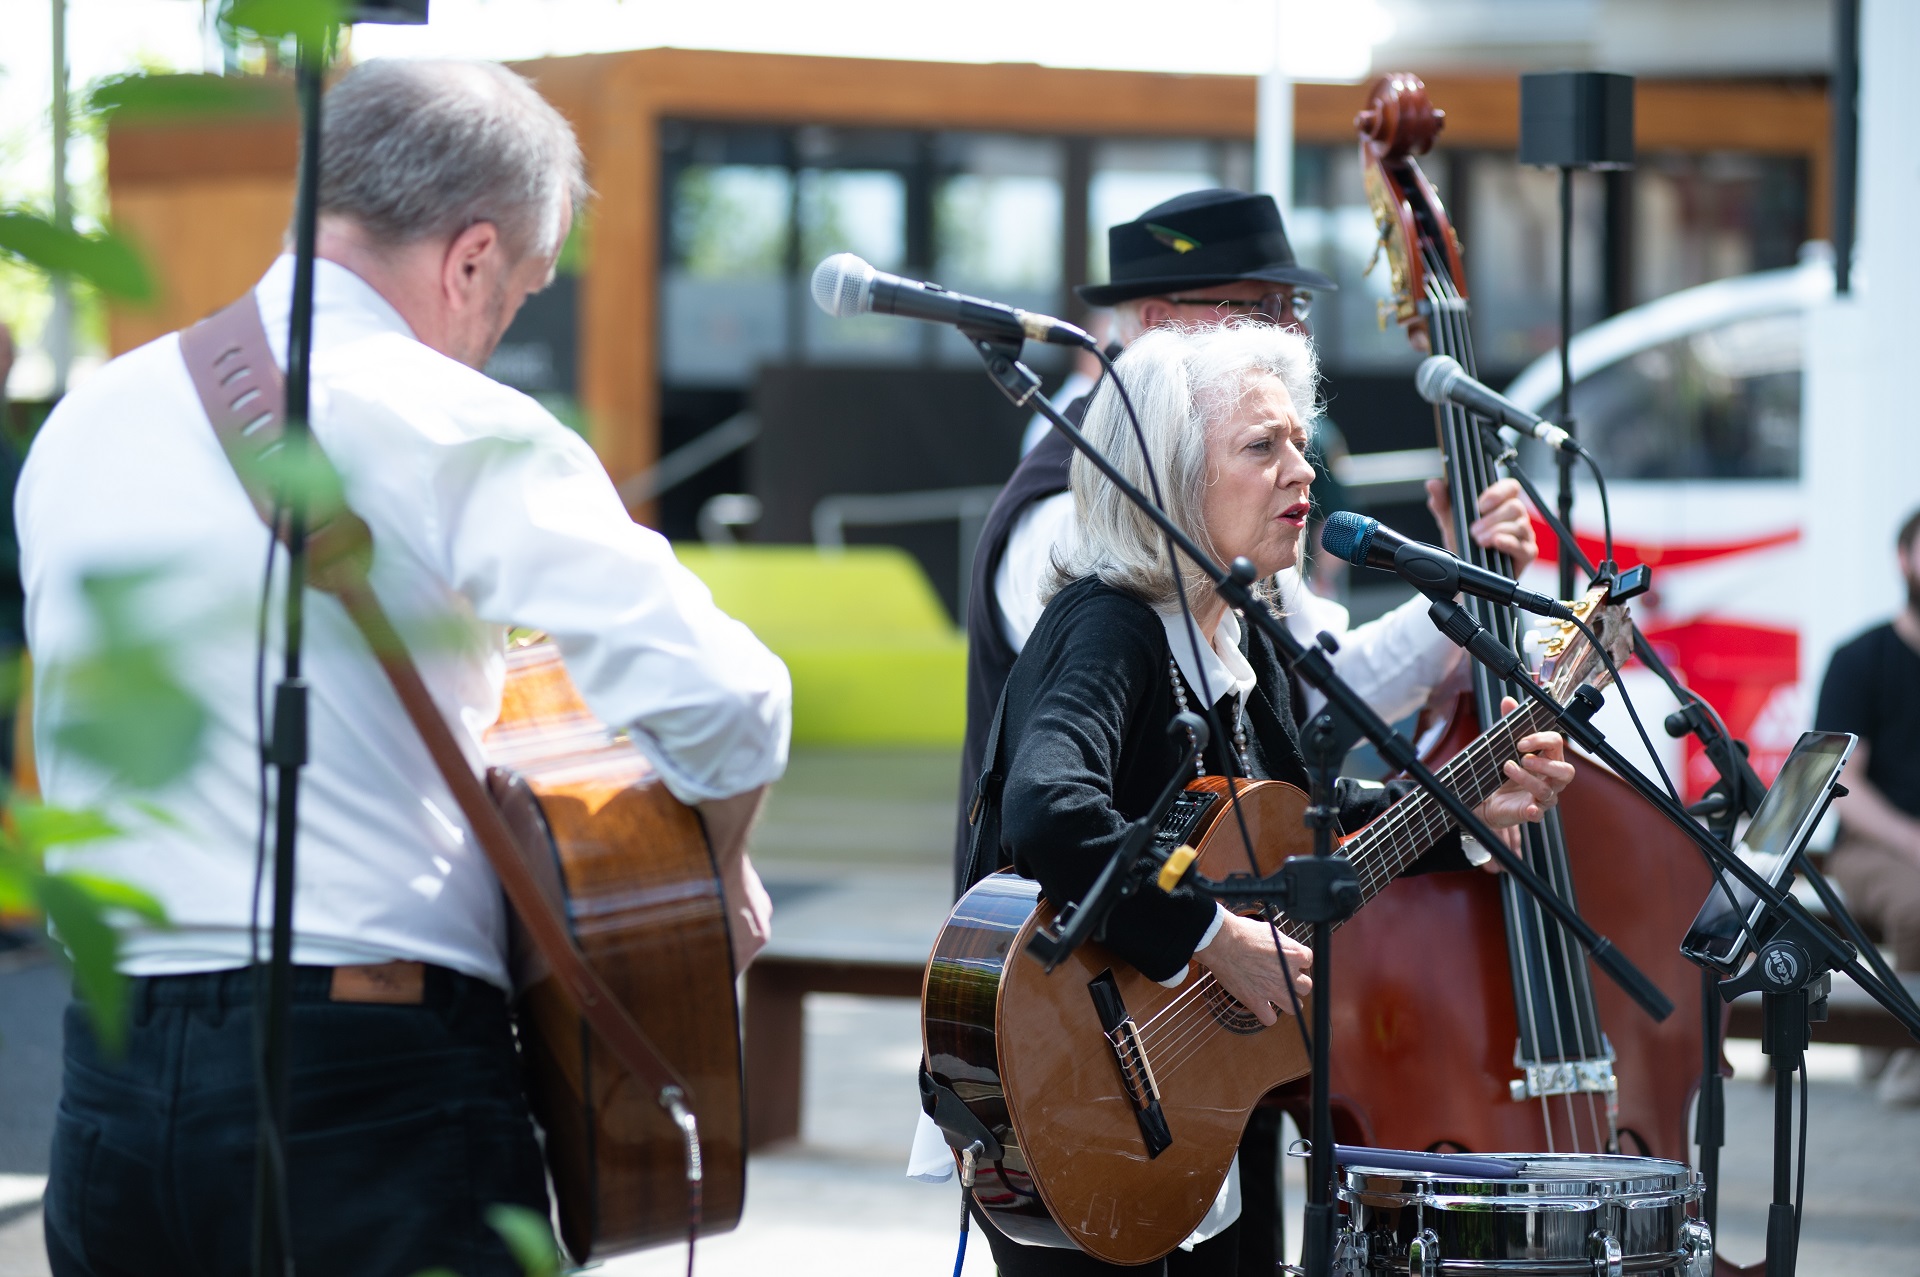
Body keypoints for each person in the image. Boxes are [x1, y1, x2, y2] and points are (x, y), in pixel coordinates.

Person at [20, 59, 789, 1276]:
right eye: (519, 293)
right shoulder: (455, 421)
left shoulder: (84, 424)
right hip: (368, 1080)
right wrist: (727, 864)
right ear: (471, 256)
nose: (498, 327)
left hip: (110, 1089)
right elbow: (728, 703)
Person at [972, 323, 1572, 1275]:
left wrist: (1467, 817)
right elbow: (1048, 810)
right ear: (1168, 477)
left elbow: (1311, 825)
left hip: (1190, 1091)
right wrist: (1212, 936)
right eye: (1264, 447)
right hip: (1073, 1077)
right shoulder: (1109, 627)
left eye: (1299, 442)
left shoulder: (1235, 641)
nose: (1304, 472)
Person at [957, 188, 1536, 890]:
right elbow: (1061, 794)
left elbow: (1314, 699)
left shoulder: (1234, 554)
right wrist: (1205, 936)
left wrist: (1463, 587)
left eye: (1293, 308)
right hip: (1091, 987)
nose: (1288, 332)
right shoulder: (1065, 519)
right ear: (1158, 322)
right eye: (1258, 307)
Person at [1814, 506, 1920, 1108]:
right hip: (1871, 846)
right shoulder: (1860, 660)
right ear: (1903, 560)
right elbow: (1842, 785)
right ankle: (1906, 1053)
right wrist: (1911, 840)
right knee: (1918, 905)